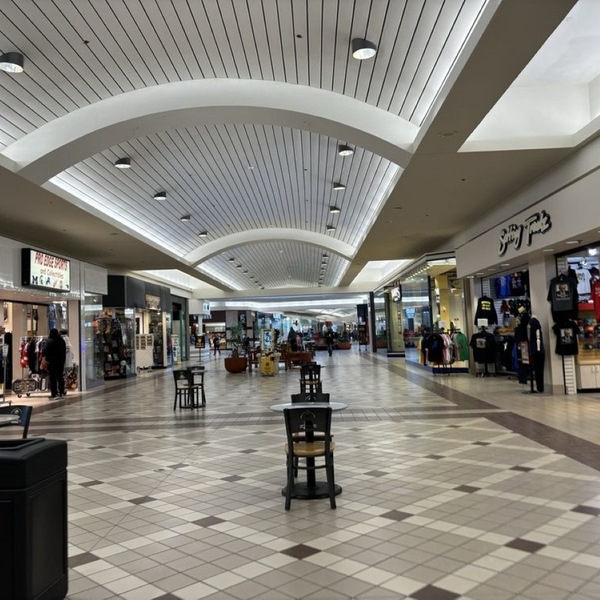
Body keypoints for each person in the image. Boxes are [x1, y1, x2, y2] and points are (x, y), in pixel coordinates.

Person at [46, 328, 66, 399]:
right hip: (60, 362)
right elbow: (64, 352)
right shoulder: (62, 341)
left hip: (52, 363)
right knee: (60, 377)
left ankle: (54, 393)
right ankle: (62, 392)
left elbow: (46, 352)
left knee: (53, 379)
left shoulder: (49, 341)